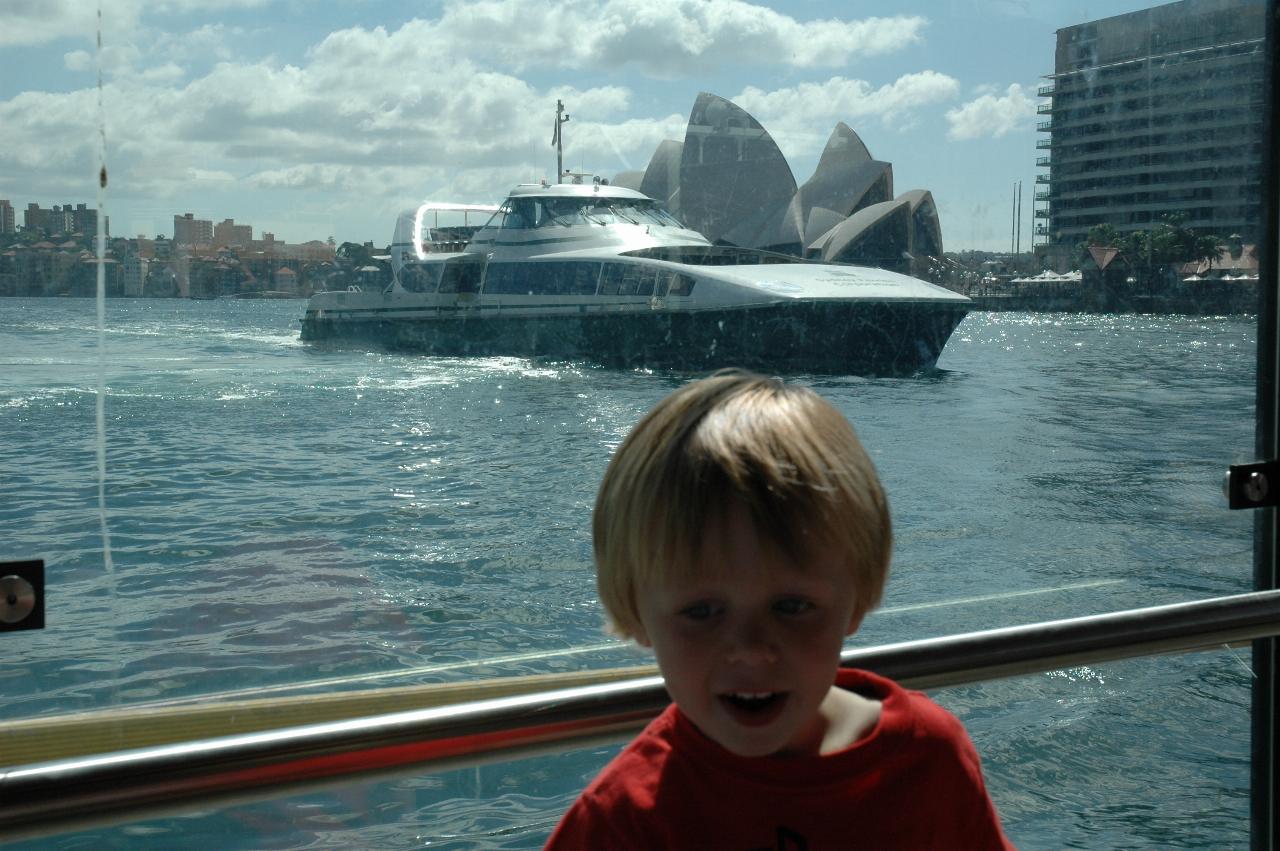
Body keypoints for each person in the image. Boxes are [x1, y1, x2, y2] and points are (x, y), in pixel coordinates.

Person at [545, 369, 1014, 849]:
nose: (750, 651)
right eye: (702, 612)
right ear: (637, 612)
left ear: (856, 600)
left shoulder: (927, 762)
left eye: (792, 606)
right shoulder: (623, 824)